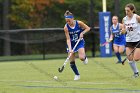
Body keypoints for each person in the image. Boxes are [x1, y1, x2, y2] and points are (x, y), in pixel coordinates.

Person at [64, 10, 90, 80]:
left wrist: (82, 33)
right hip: (71, 44)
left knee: (81, 57)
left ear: (72, 18)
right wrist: (70, 49)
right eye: (66, 21)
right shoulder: (66, 27)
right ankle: (77, 74)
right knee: (72, 61)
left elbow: (88, 28)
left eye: (69, 20)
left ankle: (84, 58)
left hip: (79, 42)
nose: (68, 22)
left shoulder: (79, 23)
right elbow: (68, 39)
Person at [122, 3, 140, 78]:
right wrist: (123, 30)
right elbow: (124, 29)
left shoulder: (137, 18)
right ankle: (136, 73)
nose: (127, 12)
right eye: (126, 11)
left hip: (138, 40)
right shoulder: (124, 19)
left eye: (128, 11)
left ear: (132, 10)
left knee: (136, 58)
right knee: (130, 58)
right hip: (129, 40)